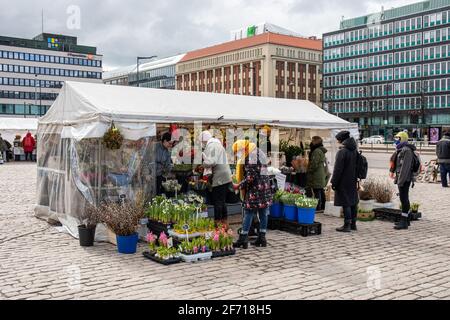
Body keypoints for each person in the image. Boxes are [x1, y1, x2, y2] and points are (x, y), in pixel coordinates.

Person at [232, 140, 275, 249]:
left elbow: (250, 178)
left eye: (237, 152)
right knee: (263, 212)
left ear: (243, 149)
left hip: (255, 190)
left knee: (248, 212)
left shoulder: (250, 157)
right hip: (265, 187)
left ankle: (243, 238)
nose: (238, 154)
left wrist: (238, 185)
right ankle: (262, 238)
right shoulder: (259, 151)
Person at [331, 131, 359, 233]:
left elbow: (338, 169)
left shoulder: (342, 152)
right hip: (353, 179)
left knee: (346, 202)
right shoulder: (354, 150)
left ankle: (347, 225)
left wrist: (334, 182)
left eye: (338, 139)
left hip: (343, 180)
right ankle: (353, 224)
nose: (337, 141)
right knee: (353, 201)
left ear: (341, 140)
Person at [201, 131, 232, 222]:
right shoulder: (217, 144)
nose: (202, 144)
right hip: (225, 175)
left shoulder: (212, 145)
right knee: (222, 201)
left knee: (218, 202)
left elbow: (211, 161)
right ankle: (224, 223)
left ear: (204, 140)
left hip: (220, 177)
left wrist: (203, 164)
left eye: (202, 142)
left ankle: (218, 224)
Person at [389, 131, 417, 230]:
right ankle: (406, 219)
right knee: (404, 198)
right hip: (401, 178)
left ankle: (404, 221)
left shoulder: (407, 150)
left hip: (405, 178)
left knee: (404, 199)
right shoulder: (400, 149)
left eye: (398, 138)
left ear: (403, 139)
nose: (396, 140)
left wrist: (400, 181)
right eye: (396, 138)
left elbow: (405, 168)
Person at [306, 136, 330, 213]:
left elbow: (314, 164)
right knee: (320, 190)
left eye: (312, 141)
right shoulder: (320, 150)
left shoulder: (316, 151)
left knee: (317, 190)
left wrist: (309, 170)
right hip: (321, 173)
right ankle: (323, 206)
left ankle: (318, 207)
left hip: (317, 174)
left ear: (315, 142)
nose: (311, 142)